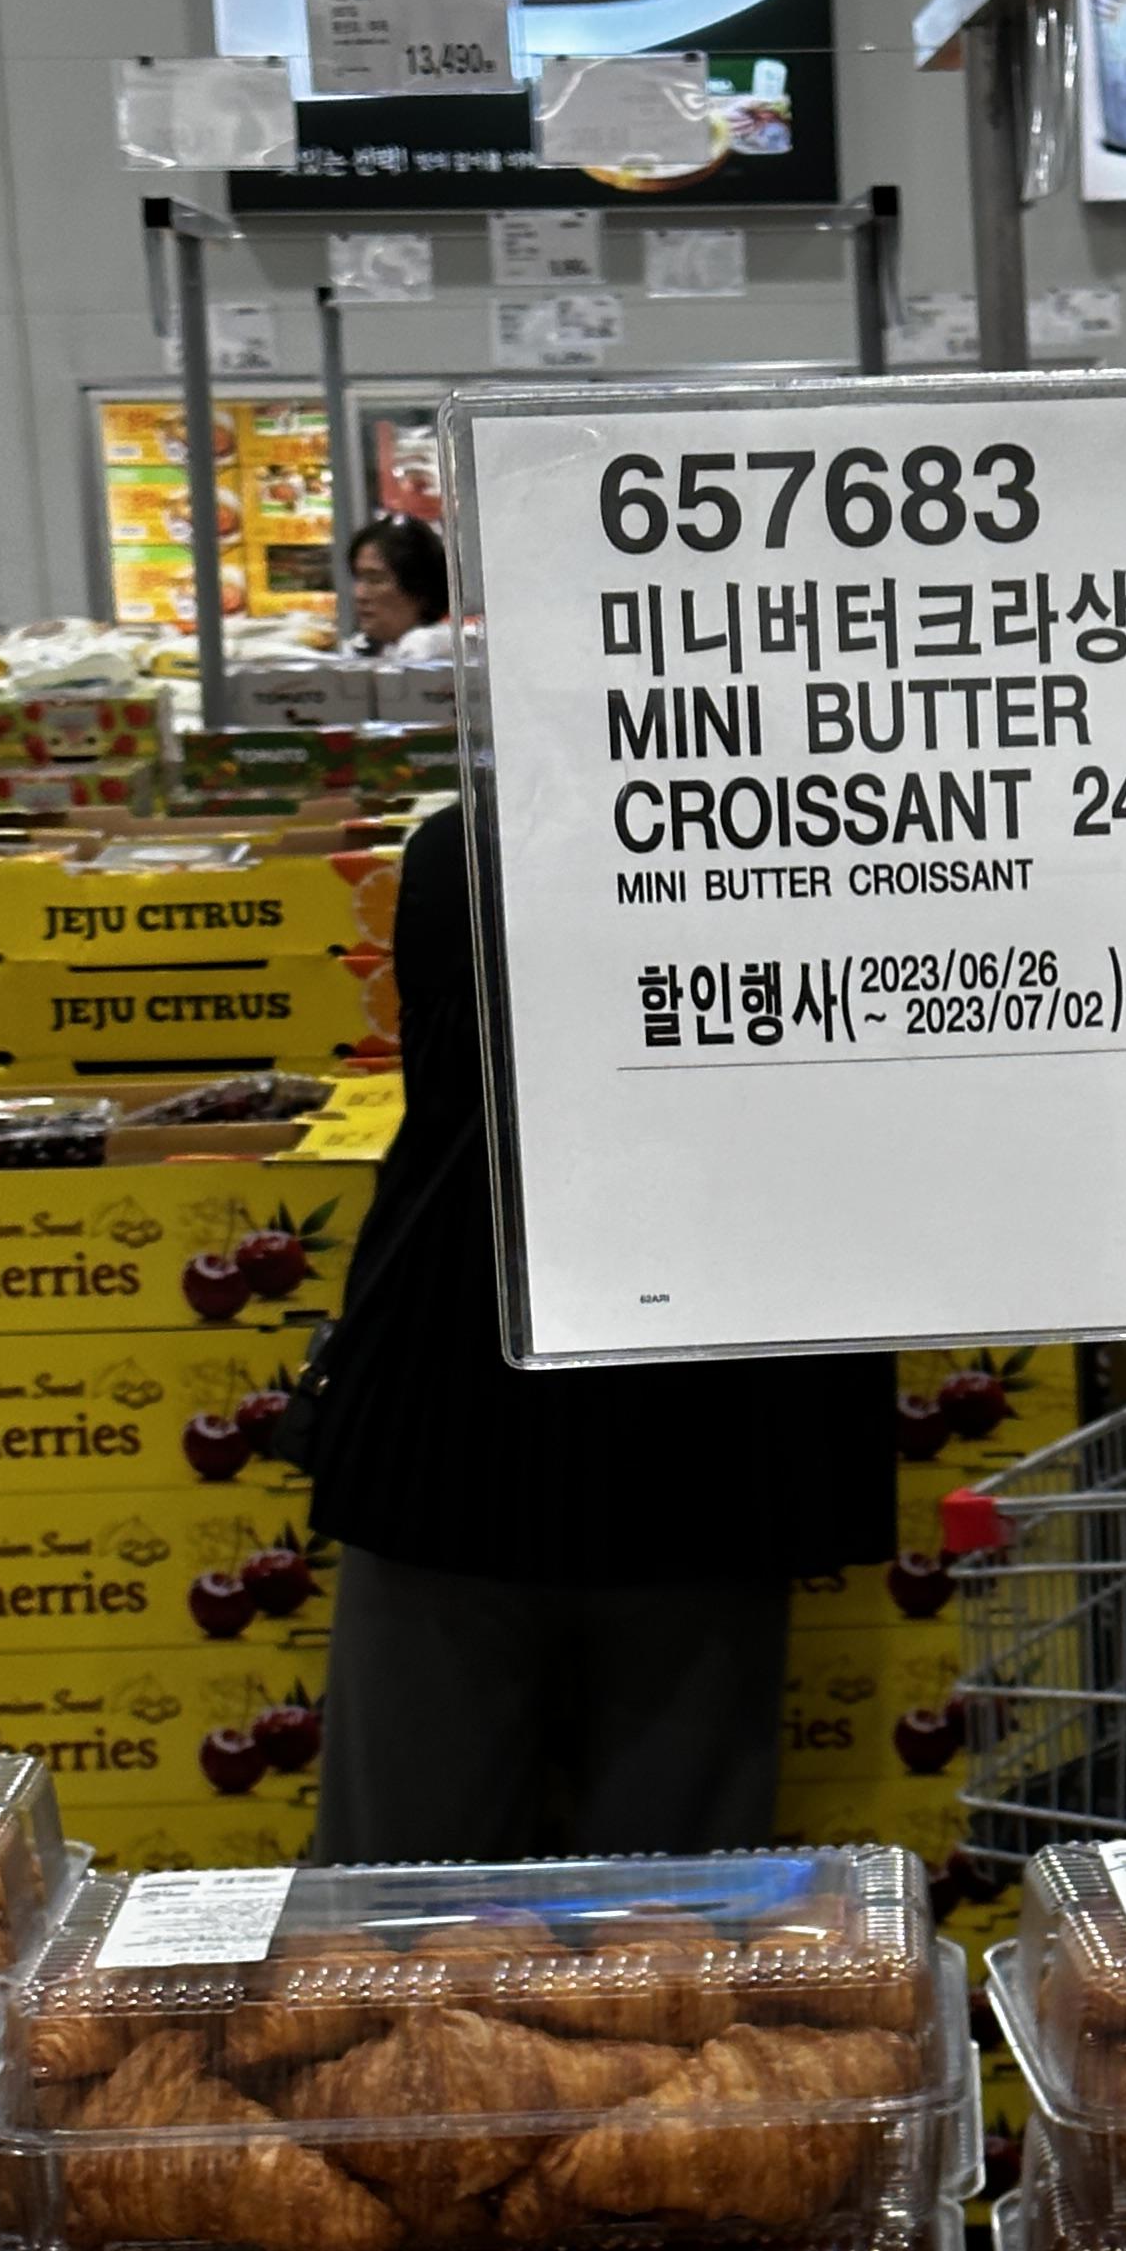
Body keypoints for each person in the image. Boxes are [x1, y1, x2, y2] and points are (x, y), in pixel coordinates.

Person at [307, 795, 895, 1861]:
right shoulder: (824, 852)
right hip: (678, 1428)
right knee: (649, 1905)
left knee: (423, 1897)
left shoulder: (475, 846)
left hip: (493, 1424)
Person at [348, 511, 452, 662]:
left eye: (375, 580)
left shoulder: (433, 650)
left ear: (419, 588)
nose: (360, 594)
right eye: (358, 578)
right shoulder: (360, 648)